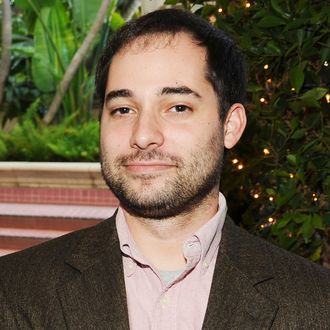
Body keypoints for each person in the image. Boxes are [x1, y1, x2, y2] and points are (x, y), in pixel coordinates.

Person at [0, 8, 329, 330]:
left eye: (178, 107)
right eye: (123, 109)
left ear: (230, 126)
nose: (143, 135)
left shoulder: (315, 304)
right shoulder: (13, 292)